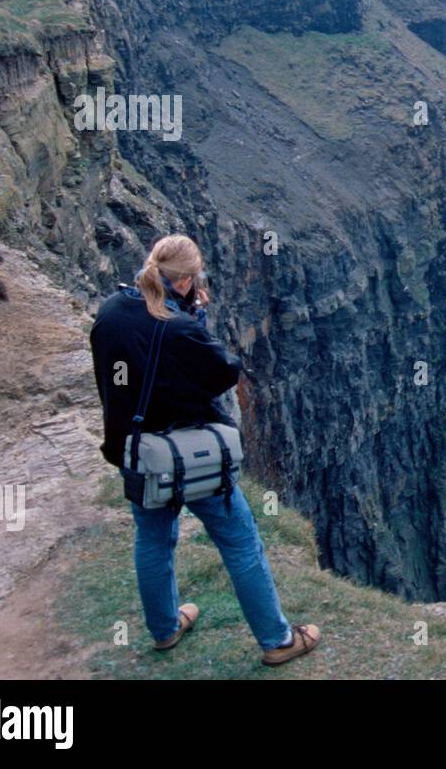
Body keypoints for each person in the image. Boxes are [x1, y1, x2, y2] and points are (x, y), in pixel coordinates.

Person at [89, 234, 320, 666]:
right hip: (191, 457)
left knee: (154, 539)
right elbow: (222, 373)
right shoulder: (180, 328)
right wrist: (199, 316)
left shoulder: (111, 311)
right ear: (186, 282)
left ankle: (164, 629)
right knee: (241, 543)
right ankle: (277, 640)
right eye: (196, 279)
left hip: (139, 454)